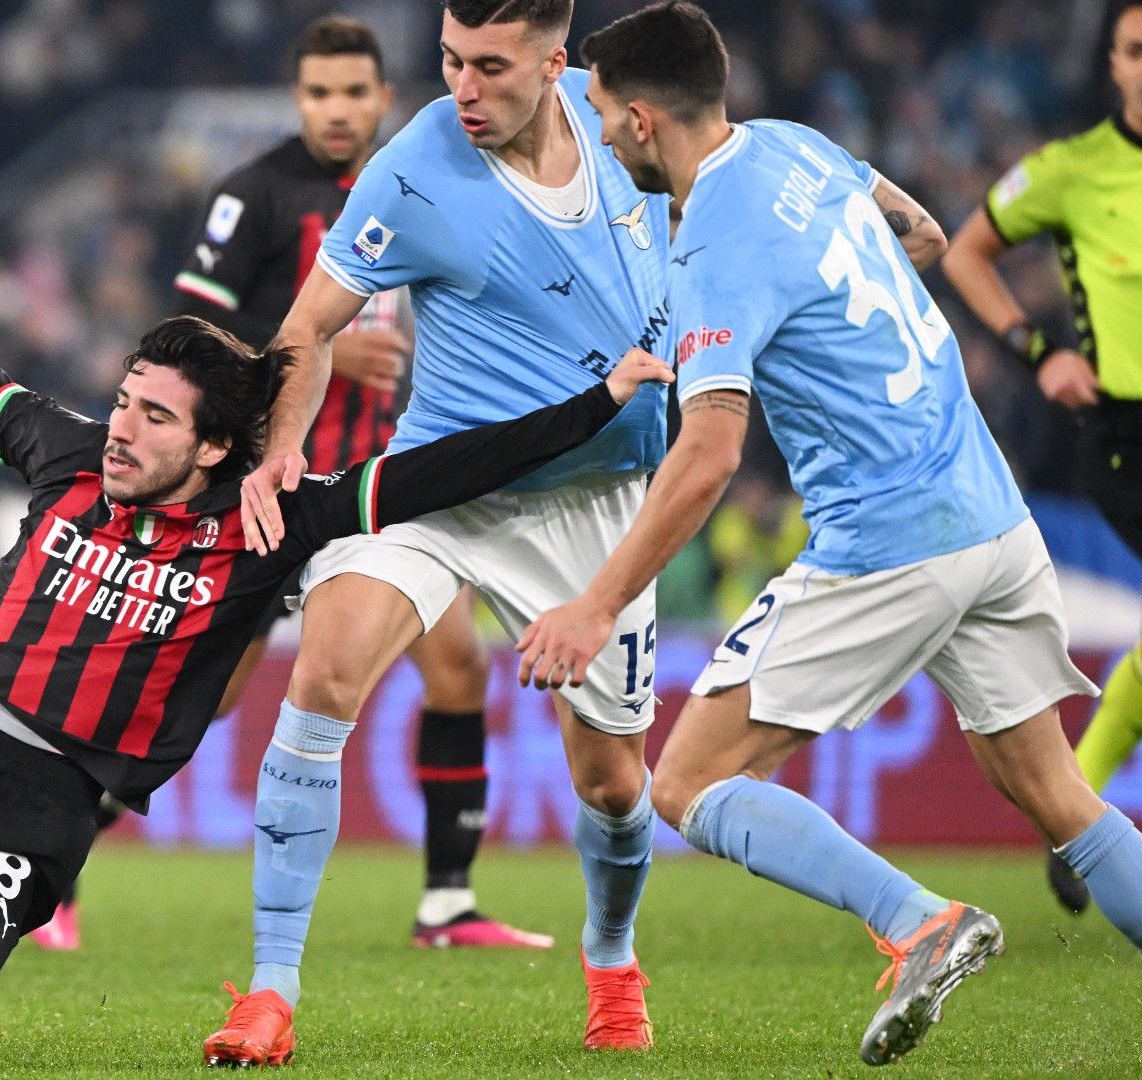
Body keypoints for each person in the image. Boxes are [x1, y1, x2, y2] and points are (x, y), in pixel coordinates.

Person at [0, 126, 672, 1072]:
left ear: (213, 445)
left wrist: (602, 401)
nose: (120, 427)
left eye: (153, 418)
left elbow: (451, 469)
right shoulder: (63, 455)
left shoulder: (270, 523)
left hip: (33, 804)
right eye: (123, 401)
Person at [516, 1, 1142, 1066]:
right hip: (990, 512)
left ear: (643, 120)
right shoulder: (799, 145)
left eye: (602, 115)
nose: (598, 135)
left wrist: (594, 606)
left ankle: (917, 919)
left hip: (887, 539)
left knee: (686, 785)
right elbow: (920, 234)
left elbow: (706, 457)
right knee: (1053, 790)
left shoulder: (712, 245)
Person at [205, 0, 675, 1063]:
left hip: (594, 505)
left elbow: (744, 189)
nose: (463, 88)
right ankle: (269, 993)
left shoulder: (625, 139)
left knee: (610, 784)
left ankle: (611, 958)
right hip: (436, 484)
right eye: (452, 61)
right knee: (323, 670)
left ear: (556, 64)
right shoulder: (414, 164)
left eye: (492, 68)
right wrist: (284, 447)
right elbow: (307, 328)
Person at [168, 13, 540, 953]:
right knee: (197, 696)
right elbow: (187, 341)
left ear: (382, 98)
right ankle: (60, 865)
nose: (337, 111)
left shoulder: (425, 182)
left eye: (354, 92)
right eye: (319, 93)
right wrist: (314, 339)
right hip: (270, 486)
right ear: (298, 99)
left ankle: (446, 905)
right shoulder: (252, 196)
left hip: (376, 487)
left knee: (457, 672)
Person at [941, 0, 1142, 915]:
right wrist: (1036, 351)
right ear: (1115, 66)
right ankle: (1087, 821)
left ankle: (1073, 814)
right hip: (1129, 440)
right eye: (1137, 50)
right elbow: (967, 253)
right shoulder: (1071, 171)